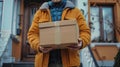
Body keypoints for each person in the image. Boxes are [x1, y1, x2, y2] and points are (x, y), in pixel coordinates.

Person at [27, 0, 91, 67]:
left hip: (69, 63)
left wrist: (81, 42)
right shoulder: (40, 13)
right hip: (45, 63)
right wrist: (38, 46)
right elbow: (32, 34)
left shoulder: (75, 11)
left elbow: (85, 32)